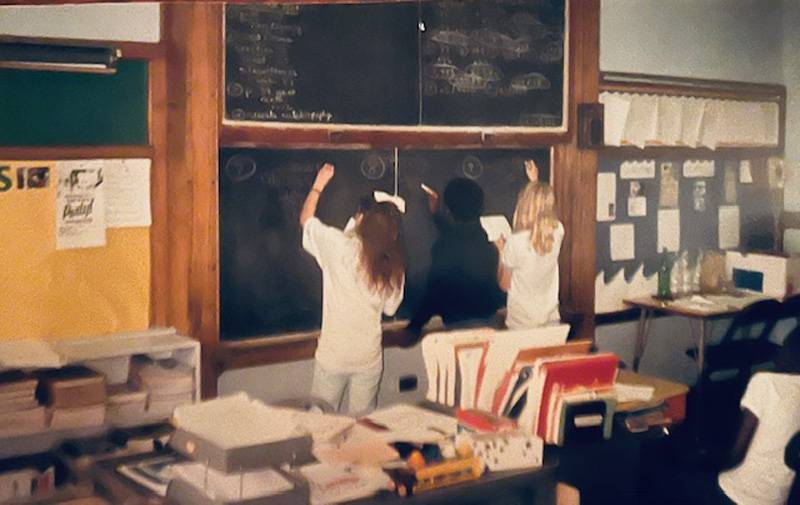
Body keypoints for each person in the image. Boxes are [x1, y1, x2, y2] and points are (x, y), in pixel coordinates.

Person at [299, 163, 405, 415]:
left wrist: (319, 184)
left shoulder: (339, 246)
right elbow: (390, 309)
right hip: (368, 357)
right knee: (364, 425)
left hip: (334, 355)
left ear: (361, 218)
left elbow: (306, 220)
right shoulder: (394, 265)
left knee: (320, 421)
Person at [406, 177, 504, 336]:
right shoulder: (488, 243)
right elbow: (463, 236)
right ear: (480, 207)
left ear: (449, 212)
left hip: (459, 330)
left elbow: (433, 296)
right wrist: (437, 215)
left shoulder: (445, 249)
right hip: (490, 325)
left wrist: (411, 328)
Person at [495, 182, 564, 329]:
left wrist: (501, 251)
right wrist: (534, 182)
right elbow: (541, 219)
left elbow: (504, 285)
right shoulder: (558, 231)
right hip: (551, 319)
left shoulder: (515, 242)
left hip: (522, 323)